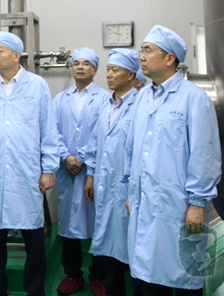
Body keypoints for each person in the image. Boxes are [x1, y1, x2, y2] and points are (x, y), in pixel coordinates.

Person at [124, 25, 221, 296]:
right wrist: (131, 190)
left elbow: (205, 155)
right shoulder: (143, 97)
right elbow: (132, 148)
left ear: (169, 58)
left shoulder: (194, 98)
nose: (141, 56)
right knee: (147, 276)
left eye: (147, 50)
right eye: (141, 50)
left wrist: (198, 202)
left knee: (181, 275)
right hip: (144, 200)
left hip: (178, 205)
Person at [0, 31, 59, 296]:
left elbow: (48, 130)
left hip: (26, 173)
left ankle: (35, 291)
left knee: (34, 240)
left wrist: (49, 168)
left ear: (16, 55)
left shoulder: (37, 85)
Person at [83, 49, 141, 296]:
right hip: (105, 184)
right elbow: (96, 144)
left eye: (114, 70)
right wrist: (90, 175)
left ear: (131, 75)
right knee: (110, 246)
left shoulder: (141, 105)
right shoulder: (107, 105)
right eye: (107, 69)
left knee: (135, 248)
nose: (108, 74)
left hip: (128, 188)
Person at [53, 48, 110, 296]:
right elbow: (52, 131)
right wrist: (66, 157)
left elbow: (103, 133)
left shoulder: (105, 99)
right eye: (76, 63)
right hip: (67, 170)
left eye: (86, 63)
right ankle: (72, 274)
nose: (80, 67)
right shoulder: (60, 99)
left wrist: (83, 158)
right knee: (68, 223)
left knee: (99, 222)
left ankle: (99, 276)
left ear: (95, 69)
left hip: (94, 171)